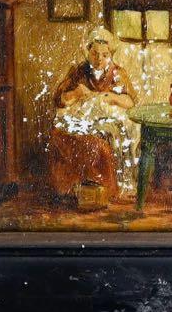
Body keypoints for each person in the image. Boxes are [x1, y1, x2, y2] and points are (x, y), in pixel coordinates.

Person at [48, 30, 139, 201]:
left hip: (107, 116)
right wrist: (76, 93)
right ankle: (78, 188)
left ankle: (120, 185)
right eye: (94, 54)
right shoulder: (79, 71)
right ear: (87, 52)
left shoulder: (117, 73)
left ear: (110, 55)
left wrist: (112, 97)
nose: (99, 59)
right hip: (83, 118)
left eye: (104, 55)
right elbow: (59, 100)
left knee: (119, 130)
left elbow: (130, 102)